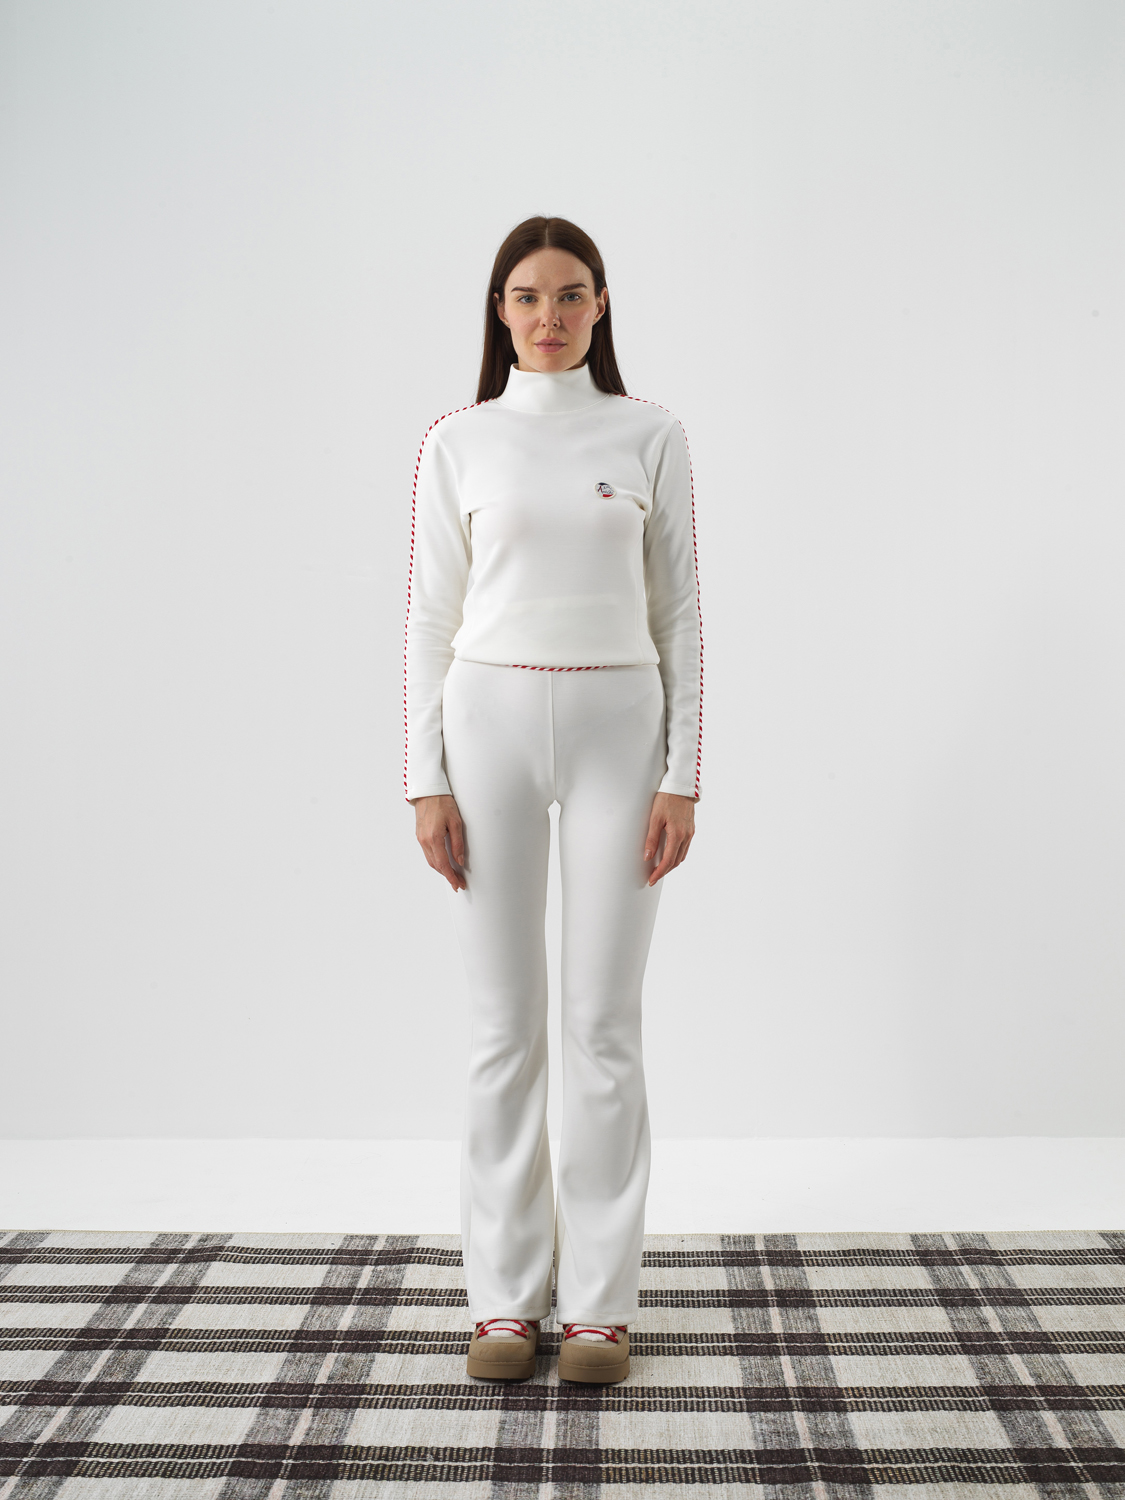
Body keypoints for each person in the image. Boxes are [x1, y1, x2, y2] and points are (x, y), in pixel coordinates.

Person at [404, 216, 702, 1384]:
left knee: (602, 1024)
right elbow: (430, 619)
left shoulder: (651, 434)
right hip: (485, 728)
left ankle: (599, 1310)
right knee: (502, 1026)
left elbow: (680, 612)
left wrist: (683, 773)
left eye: (571, 294)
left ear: (602, 304)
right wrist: (425, 780)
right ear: (501, 311)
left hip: (622, 732)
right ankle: (502, 1302)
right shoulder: (459, 441)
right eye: (527, 297)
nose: (549, 315)